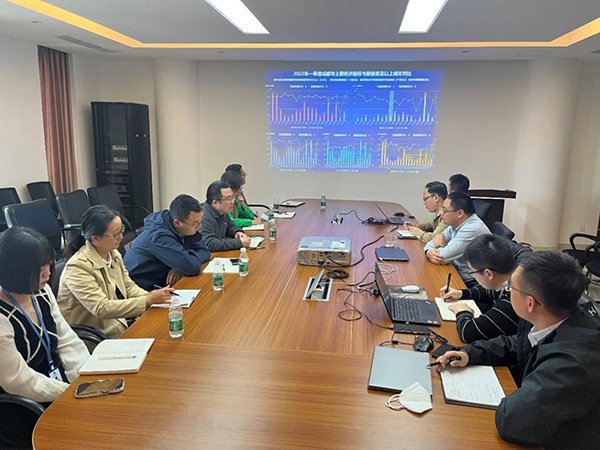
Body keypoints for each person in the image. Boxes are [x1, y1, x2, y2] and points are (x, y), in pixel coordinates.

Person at [436, 252, 600, 449]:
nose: (507, 291)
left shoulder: (572, 364)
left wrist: (515, 397)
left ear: (530, 303)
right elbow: (517, 344)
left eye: (510, 287)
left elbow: (512, 422)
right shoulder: (553, 314)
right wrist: (470, 353)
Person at [0, 228, 89, 403]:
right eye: (38, 269)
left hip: (60, 387)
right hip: (26, 404)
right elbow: (18, 381)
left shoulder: (42, 292)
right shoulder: (2, 317)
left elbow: (67, 340)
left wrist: (84, 380)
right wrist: (72, 392)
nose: (48, 273)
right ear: (14, 270)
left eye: (49, 264)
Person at [58, 205, 173, 339]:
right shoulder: (77, 267)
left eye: (121, 230)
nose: (121, 237)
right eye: (115, 234)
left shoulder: (112, 253)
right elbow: (101, 308)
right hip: (93, 336)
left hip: (116, 323)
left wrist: (153, 298)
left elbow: (128, 286)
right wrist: (146, 300)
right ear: (95, 238)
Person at [439, 234, 522, 343]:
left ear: (488, 274)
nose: (472, 275)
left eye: (472, 271)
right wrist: (461, 293)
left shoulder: (514, 301)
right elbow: (490, 291)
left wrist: (463, 311)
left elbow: (468, 333)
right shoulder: (508, 280)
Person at [124, 194, 211, 290]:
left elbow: (205, 250)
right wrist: (184, 262)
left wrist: (181, 264)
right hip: (141, 287)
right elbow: (192, 268)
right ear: (177, 223)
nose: (199, 226)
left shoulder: (183, 226)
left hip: (163, 280)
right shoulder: (159, 236)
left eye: (200, 221)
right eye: (195, 223)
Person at [424, 192, 490, 285]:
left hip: (472, 281)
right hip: (457, 271)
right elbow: (434, 241)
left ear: (460, 213)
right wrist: (428, 251)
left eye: (445, 211)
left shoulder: (472, 229)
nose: (442, 214)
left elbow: (442, 258)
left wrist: (439, 246)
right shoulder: (456, 223)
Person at [200, 180, 251, 251]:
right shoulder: (204, 216)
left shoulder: (222, 211)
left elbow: (231, 227)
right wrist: (239, 243)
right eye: (229, 199)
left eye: (232, 198)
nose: (232, 202)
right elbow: (209, 243)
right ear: (215, 203)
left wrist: (237, 232)